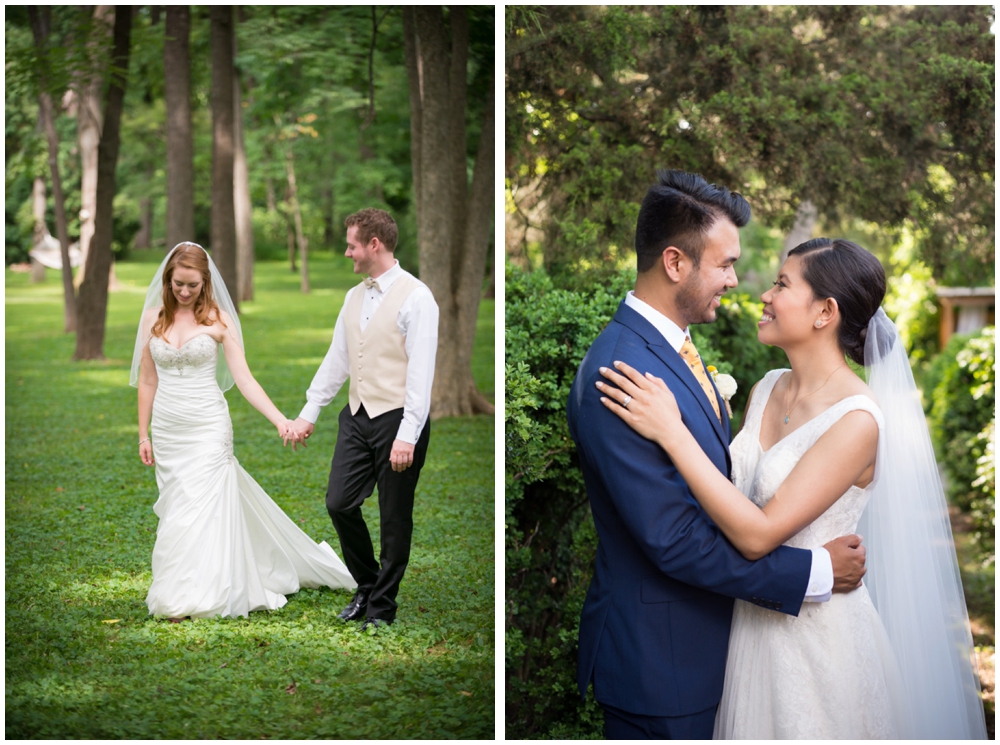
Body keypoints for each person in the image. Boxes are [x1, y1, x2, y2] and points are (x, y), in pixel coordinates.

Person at [598, 238, 987, 739]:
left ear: (825, 312)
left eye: (782, 284)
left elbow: (758, 534)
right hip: (745, 626)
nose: (764, 293)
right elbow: (723, 495)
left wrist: (672, 433)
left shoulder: (857, 420)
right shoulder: (766, 387)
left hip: (816, 643)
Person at [566, 170, 867, 740]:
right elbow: (674, 538)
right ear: (676, 263)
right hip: (662, 665)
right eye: (724, 264)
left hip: (717, 653)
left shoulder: (671, 349)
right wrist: (814, 572)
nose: (735, 281)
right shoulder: (622, 372)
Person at [132, 243, 356, 620]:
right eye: (178, 285)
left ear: (205, 283)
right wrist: (143, 433)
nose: (184, 293)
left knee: (200, 507)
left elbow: (245, 379)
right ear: (168, 280)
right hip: (169, 429)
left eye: (192, 285)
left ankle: (200, 592)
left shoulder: (218, 319)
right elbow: (147, 381)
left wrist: (280, 419)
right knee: (177, 508)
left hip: (208, 425)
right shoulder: (153, 318)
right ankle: (180, 584)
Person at [285, 209, 438, 632]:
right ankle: (367, 584)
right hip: (356, 416)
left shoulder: (418, 297)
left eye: (352, 244)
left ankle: (382, 607)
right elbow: (338, 360)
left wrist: (408, 435)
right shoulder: (354, 296)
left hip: (398, 421)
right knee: (339, 502)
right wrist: (309, 413)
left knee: (393, 518)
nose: (347, 251)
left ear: (374, 244)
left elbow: (421, 376)